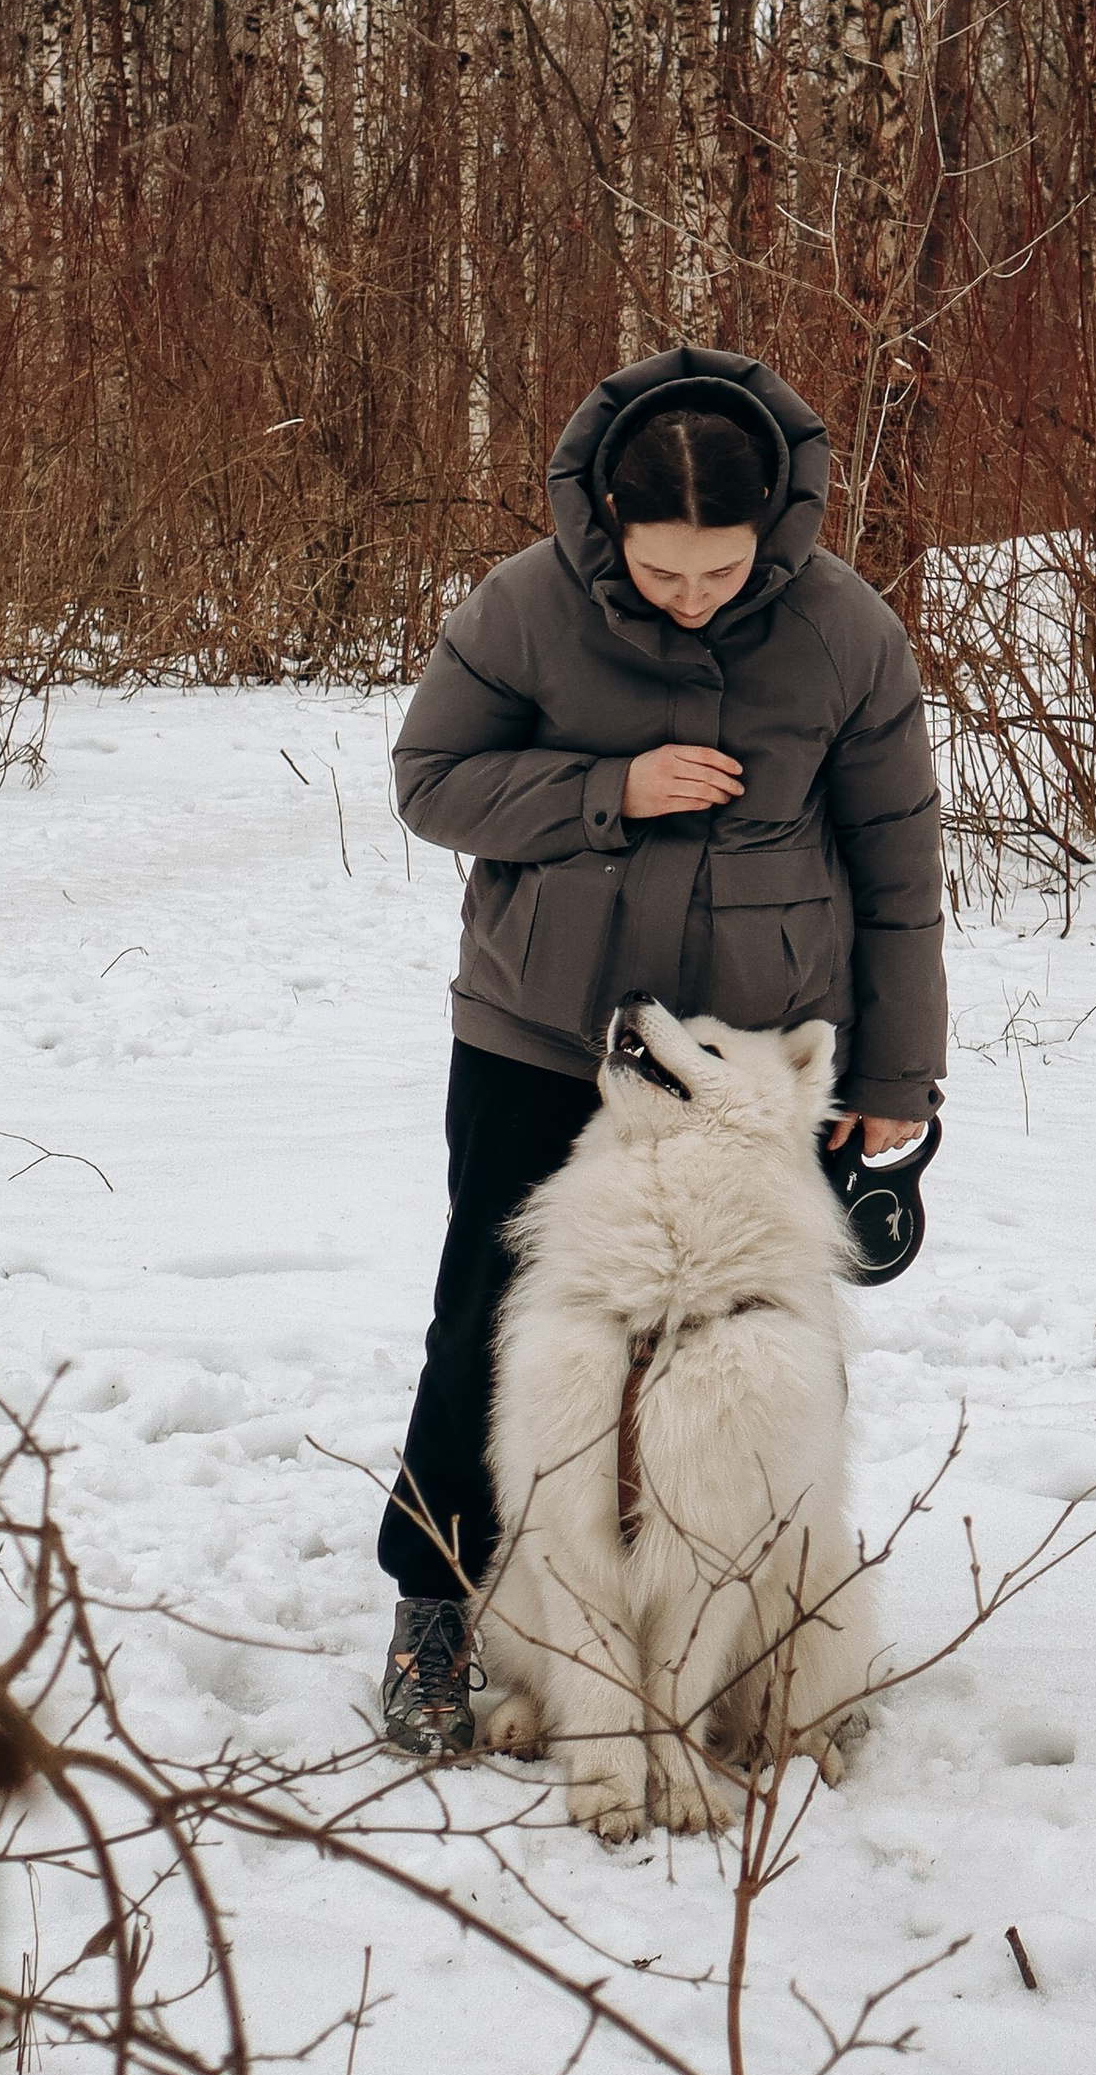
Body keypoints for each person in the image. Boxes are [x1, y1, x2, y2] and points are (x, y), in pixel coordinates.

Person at [377, 343, 946, 1754]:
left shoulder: (843, 631)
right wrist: (603, 790)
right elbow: (427, 781)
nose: (692, 596)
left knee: (761, 1346)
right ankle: (435, 1608)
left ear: (776, 528)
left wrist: (895, 1077)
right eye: (663, 570)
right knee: (497, 1326)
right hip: (541, 1038)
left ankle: (760, 1628)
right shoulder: (523, 607)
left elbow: (898, 861)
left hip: (752, 1065)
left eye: (722, 569)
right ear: (607, 524)